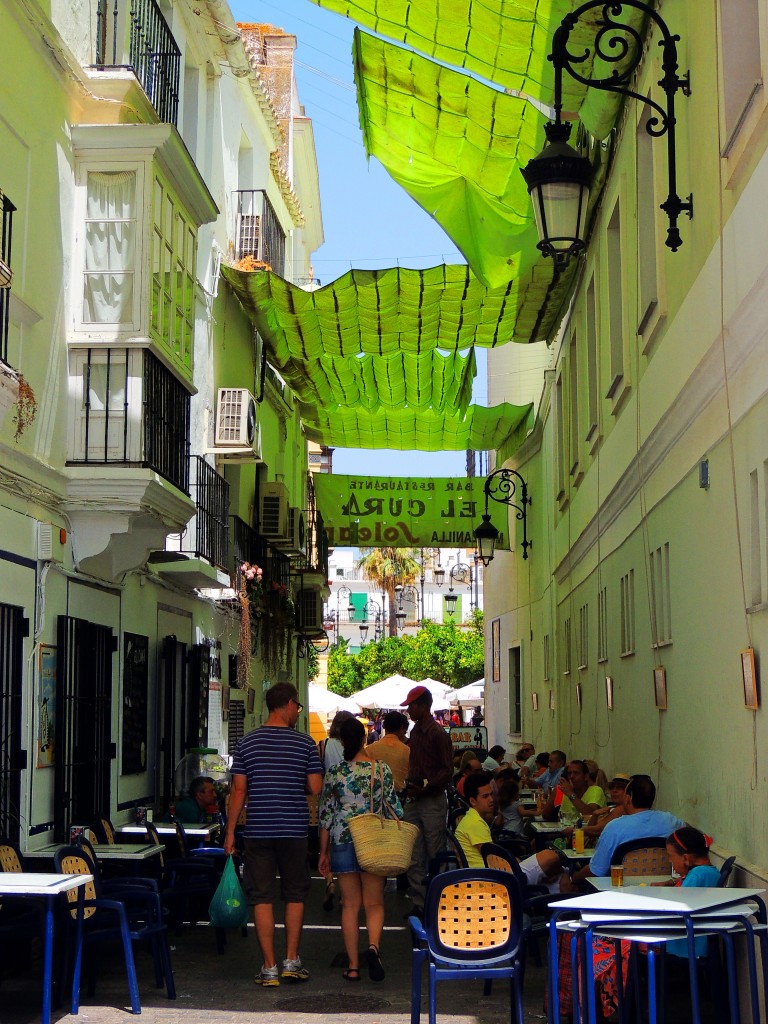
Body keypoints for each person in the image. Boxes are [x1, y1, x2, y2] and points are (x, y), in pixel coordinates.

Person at [224, 682, 323, 987]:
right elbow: (316, 788)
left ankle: (268, 969)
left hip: (259, 830)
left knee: (262, 897)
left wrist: (230, 832)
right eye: (298, 707)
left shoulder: (247, 744)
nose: (298, 712)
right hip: (293, 829)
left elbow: (238, 791)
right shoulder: (305, 744)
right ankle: (291, 961)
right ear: (289, 704)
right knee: (294, 895)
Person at [318, 717, 402, 982]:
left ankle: (353, 966)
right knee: (375, 903)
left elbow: (326, 816)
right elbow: (395, 809)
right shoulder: (381, 770)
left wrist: (323, 852)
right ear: (364, 739)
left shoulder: (335, 773)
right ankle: (374, 948)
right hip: (373, 840)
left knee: (350, 905)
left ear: (341, 740)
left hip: (343, 840)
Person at [455, 772, 567, 891]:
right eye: (485, 796)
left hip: (489, 875)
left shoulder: (471, 819)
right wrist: (517, 861)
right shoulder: (475, 823)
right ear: (473, 801)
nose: (491, 799)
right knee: (551, 857)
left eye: (491, 794)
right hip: (495, 879)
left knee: (554, 871)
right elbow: (493, 860)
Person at [571, 774, 685, 886]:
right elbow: (696, 837)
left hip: (620, 892)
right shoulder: (671, 821)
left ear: (628, 798)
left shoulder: (614, 827)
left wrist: (573, 878)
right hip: (663, 890)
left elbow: (596, 871)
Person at [400, 685, 454, 914]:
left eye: (412, 706)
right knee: (413, 853)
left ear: (423, 706)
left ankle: (438, 903)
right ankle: (420, 903)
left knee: (435, 853)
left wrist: (426, 786)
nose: (409, 710)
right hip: (417, 798)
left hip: (431, 800)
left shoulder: (437, 733)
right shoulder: (416, 732)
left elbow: (447, 770)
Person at [542, 759, 606, 824]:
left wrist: (571, 794)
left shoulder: (596, 790)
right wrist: (554, 794)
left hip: (587, 833)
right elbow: (545, 815)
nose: (572, 776)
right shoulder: (565, 792)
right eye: (569, 773)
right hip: (566, 832)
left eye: (576, 773)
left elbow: (590, 815)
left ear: (586, 776)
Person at [364, 710, 410, 792]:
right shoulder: (407, 750)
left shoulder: (369, 750)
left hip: (374, 796)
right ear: (401, 728)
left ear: (384, 726)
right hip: (398, 797)